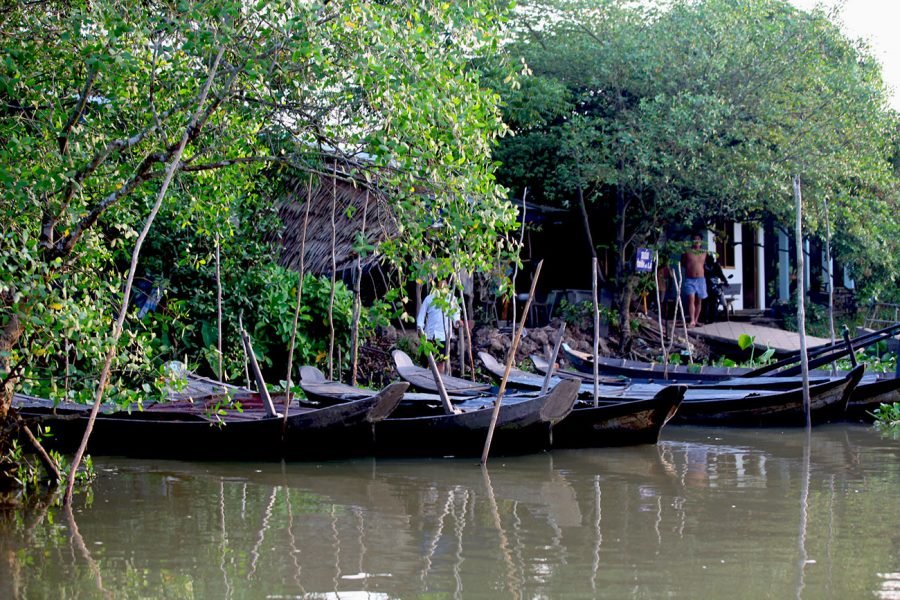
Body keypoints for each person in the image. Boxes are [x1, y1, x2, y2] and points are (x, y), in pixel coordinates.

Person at [416, 282, 460, 374]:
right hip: (429, 335)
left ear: (447, 286)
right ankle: (423, 379)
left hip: (444, 335)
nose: (442, 287)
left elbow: (455, 314)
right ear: (436, 286)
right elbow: (421, 315)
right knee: (425, 361)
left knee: (441, 361)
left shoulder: (452, 299)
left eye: (444, 285)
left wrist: (457, 321)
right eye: (440, 285)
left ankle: (439, 380)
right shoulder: (429, 298)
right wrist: (420, 327)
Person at [681, 234, 708, 328]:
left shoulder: (704, 252)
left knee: (699, 300)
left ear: (701, 241)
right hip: (690, 279)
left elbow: (707, 264)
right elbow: (683, 263)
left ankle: (696, 320)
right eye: (694, 239)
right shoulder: (687, 252)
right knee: (691, 299)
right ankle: (692, 320)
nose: (696, 241)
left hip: (701, 279)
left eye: (698, 239)